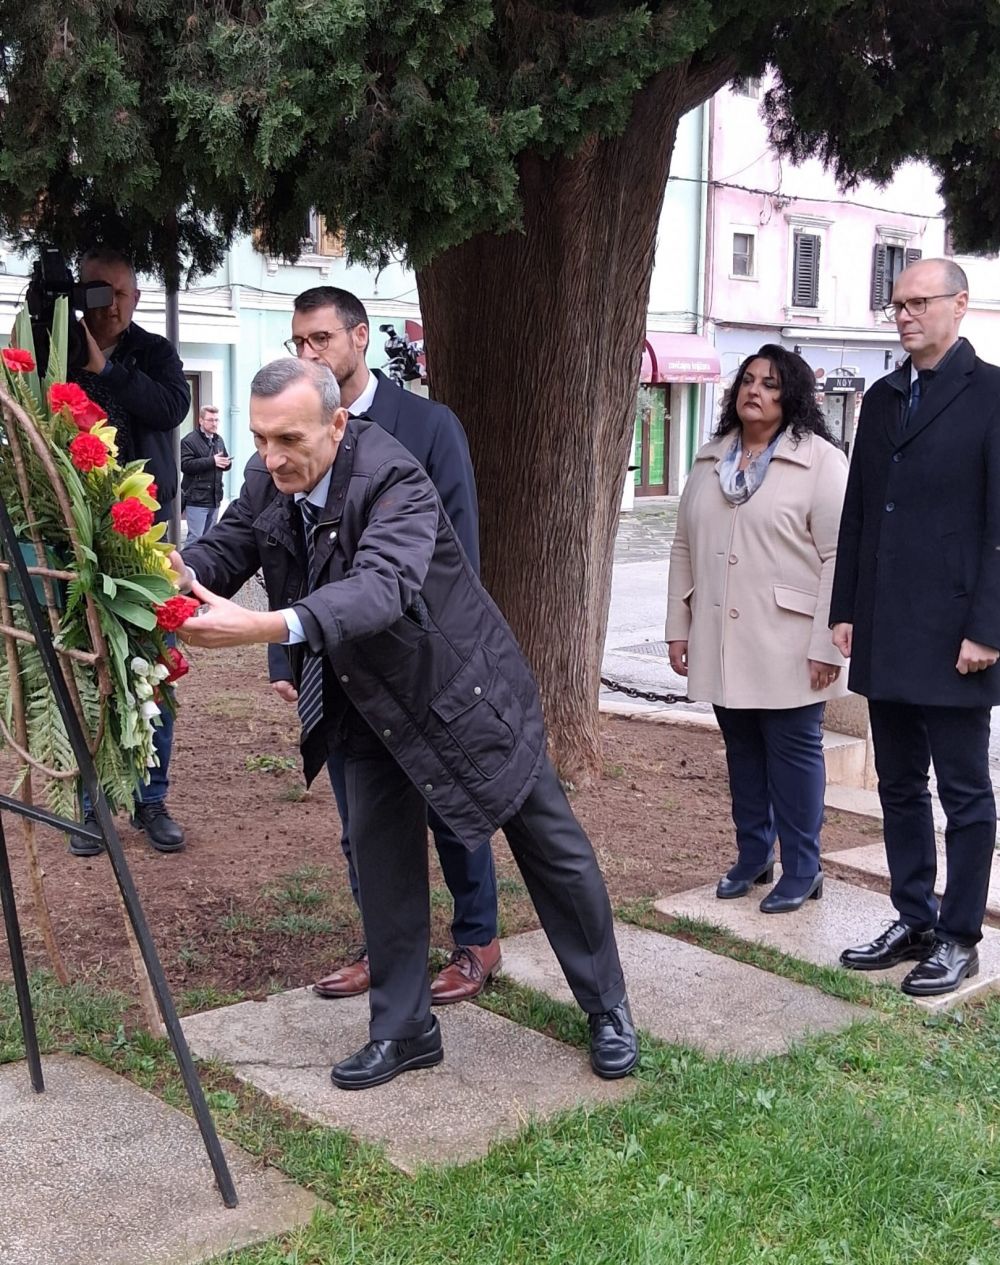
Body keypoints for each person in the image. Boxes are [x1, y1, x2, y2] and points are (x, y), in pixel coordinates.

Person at [175, 358, 638, 1089]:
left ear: (337, 423)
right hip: (364, 703)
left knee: (550, 847)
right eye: (260, 438)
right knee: (383, 863)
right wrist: (164, 571)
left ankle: (607, 1005)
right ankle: (405, 1028)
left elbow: (381, 587)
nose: (270, 457)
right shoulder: (269, 476)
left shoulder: (393, 476)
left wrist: (266, 627)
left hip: (462, 694)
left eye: (288, 438)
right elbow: (227, 547)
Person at [273, 286, 500, 1006]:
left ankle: (477, 940)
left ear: (360, 337)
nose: (308, 354)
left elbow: (456, 551)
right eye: (298, 343)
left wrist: (442, 654)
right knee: (362, 818)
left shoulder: (428, 426)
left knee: (450, 807)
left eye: (321, 340)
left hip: (423, 664)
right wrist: (286, 656)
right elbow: (286, 552)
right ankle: (386, 944)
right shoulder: (295, 431)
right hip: (337, 666)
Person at [831, 258, 1000, 996]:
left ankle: (960, 934)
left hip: (959, 632)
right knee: (899, 783)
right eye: (896, 304)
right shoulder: (883, 397)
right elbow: (861, 510)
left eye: (918, 301)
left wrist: (989, 627)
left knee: (963, 792)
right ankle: (914, 915)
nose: (903, 315)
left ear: (959, 306)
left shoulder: (993, 393)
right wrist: (846, 606)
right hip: (887, 624)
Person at [666, 345, 848, 913]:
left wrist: (827, 645)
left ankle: (803, 867)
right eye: (747, 381)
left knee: (794, 758)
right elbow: (683, 548)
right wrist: (679, 627)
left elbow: (841, 557)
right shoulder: (708, 461)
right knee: (742, 754)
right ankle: (752, 856)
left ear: (790, 395)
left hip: (791, 643)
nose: (755, 391)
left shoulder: (820, 461)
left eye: (770, 384)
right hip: (721, 639)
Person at [68, 247, 190, 855]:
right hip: (74, 533)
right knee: (87, 669)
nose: (107, 304)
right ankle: (91, 804)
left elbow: (172, 407)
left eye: (118, 292)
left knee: (153, 666)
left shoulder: (154, 352)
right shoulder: (59, 347)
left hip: (147, 535)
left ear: (136, 298)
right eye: (95, 290)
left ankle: (151, 799)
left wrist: (108, 370)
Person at [181, 405, 231, 540]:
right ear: (201, 420)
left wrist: (227, 463)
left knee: (209, 540)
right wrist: (212, 461)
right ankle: (188, 562)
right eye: (210, 420)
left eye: (216, 420)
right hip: (196, 499)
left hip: (215, 498)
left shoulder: (218, 439)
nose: (214, 423)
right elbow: (185, 465)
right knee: (195, 539)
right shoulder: (189, 441)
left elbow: (222, 460)